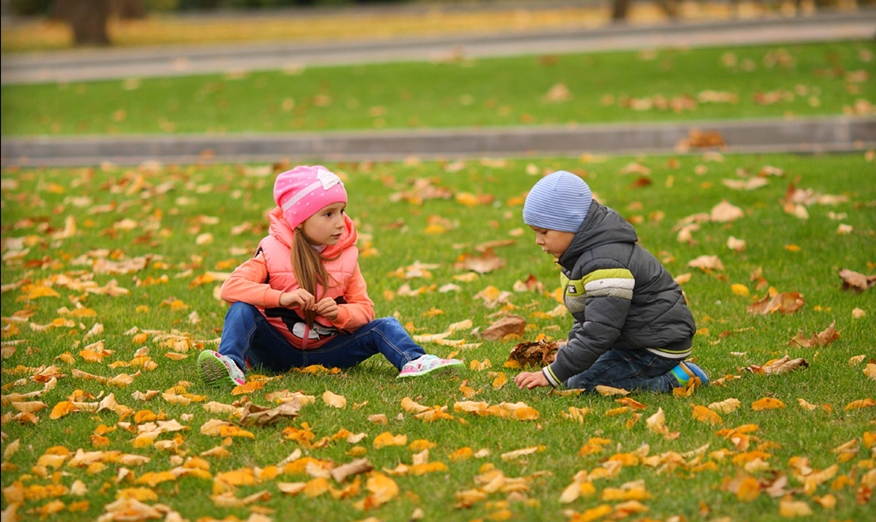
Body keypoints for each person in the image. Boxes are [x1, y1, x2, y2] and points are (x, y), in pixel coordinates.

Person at [197, 165, 463, 387]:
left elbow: (364, 310)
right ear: (300, 221)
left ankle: (415, 360)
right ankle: (231, 364)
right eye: (328, 214)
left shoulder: (346, 257)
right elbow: (230, 288)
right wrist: (281, 298)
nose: (340, 222)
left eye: (341, 211)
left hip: (330, 352)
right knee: (241, 310)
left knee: (385, 325)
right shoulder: (271, 252)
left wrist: (339, 313)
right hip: (275, 351)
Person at [513, 170, 708, 394]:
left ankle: (678, 377)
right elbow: (588, 318)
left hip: (657, 346)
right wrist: (568, 358)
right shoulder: (579, 257)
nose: (538, 241)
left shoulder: (604, 263)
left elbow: (600, 329)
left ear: (571, 224)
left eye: (544, 232)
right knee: (571, 375)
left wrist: (551, 373)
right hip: (632, 339)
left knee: (582, 384)